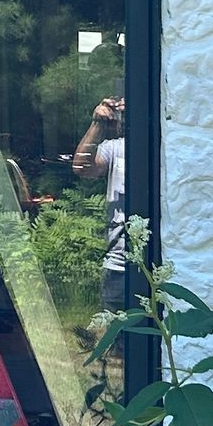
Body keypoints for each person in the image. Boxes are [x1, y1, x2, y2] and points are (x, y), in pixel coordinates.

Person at [72, 93, 127, 311]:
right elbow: (82, 168)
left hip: (158, 261)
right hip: (119, 263)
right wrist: (98, 124)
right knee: (118, 338)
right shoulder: (115, 147)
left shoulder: (165, 146)